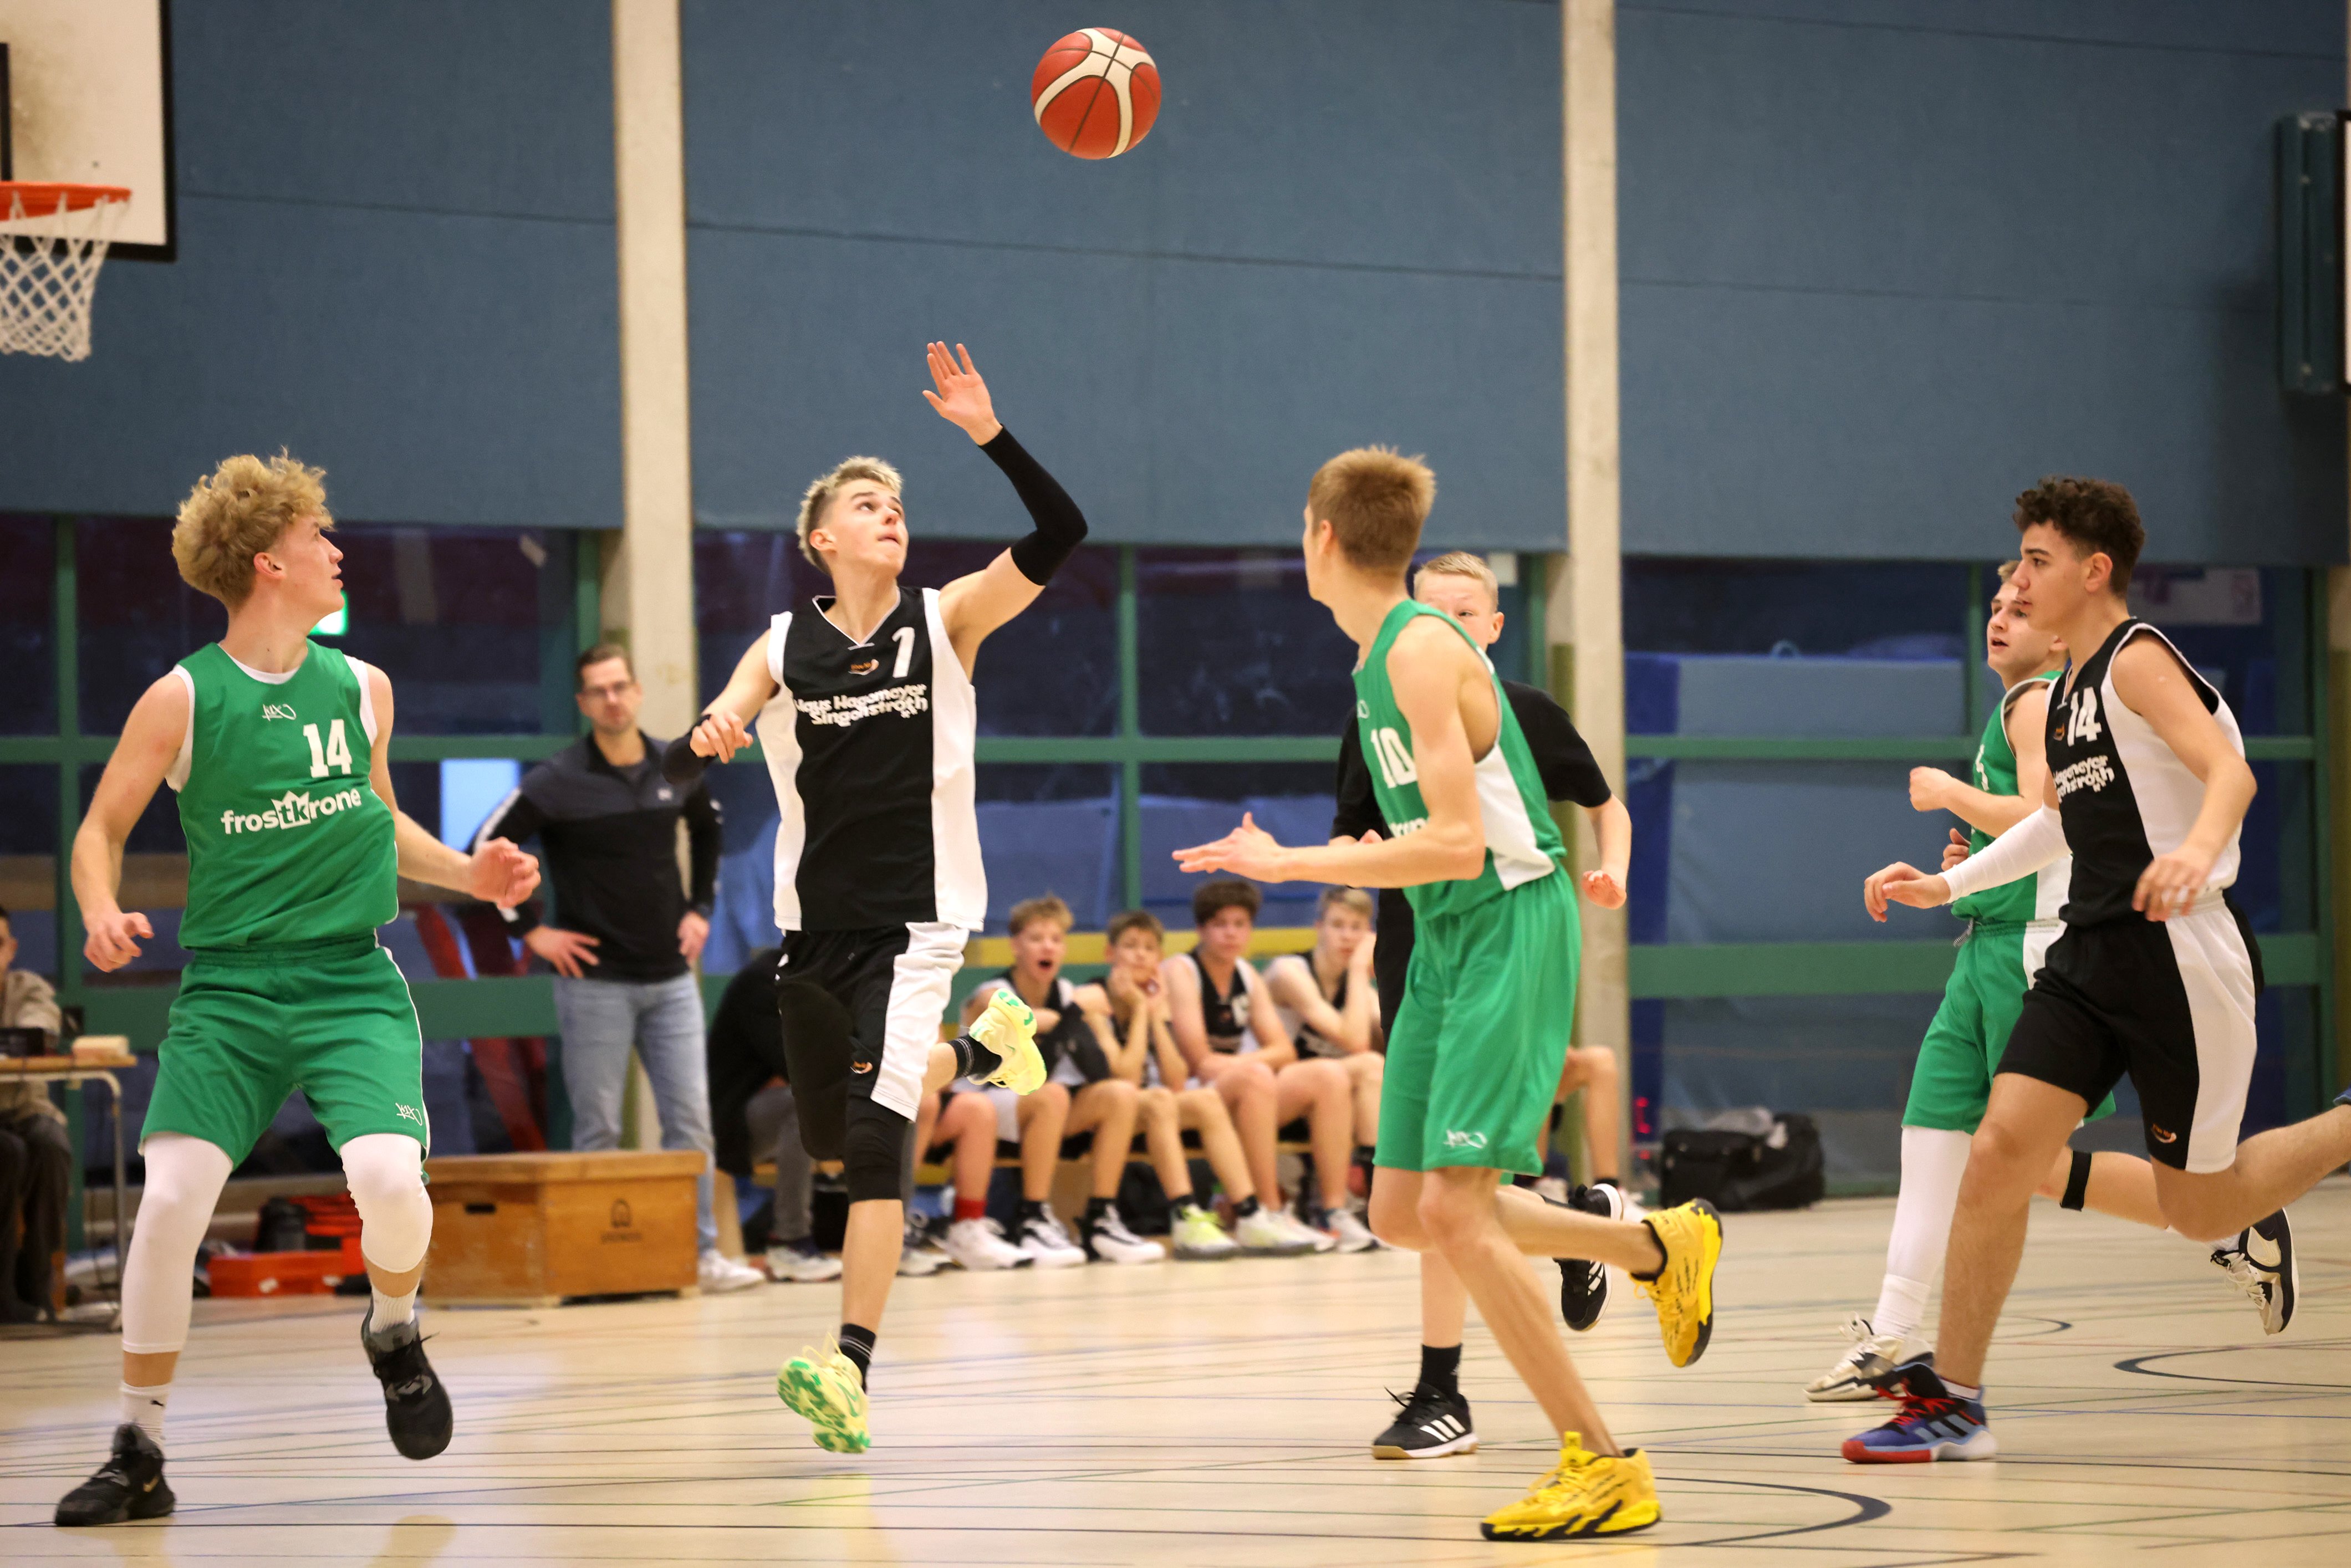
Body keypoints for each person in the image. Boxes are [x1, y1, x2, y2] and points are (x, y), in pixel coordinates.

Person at [1176, 447, 1721, 1541]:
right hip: (1441, 937)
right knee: (1401, 1211)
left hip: (1507, 923)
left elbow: (1458, 842)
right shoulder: (1374, 659)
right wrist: (1301, 859)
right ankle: (1651, 1245)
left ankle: (1602, 1460)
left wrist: (1288, 862)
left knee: (1457, 1212)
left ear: (1322, 538)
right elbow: (1424, 850)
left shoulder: (1422, 651)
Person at [54, 454, 542, 1526]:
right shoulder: (184, 697)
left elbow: (380, 818)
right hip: (230, 991)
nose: (337, 550)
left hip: (348, 977)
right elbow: (99, 829)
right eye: (319, 535)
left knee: (389, 1179)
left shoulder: (363, 686)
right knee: (171, 1202)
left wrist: (471, 874)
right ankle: (139, 1446)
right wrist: (97, 906)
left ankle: (393, 1325)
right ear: (269, 562)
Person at [1849, 477, 2342, 1464]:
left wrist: (2195, 850)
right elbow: (2055, 824)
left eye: (2037, 561)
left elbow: (2230, 772)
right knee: (1999, 1152)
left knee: (2199, 1207)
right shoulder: (2069, 689)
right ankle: (1957, 1402)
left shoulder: (2135, 658)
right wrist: (1947, 887)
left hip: (2180, 955)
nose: (2019, 580)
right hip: (2088, 953)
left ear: (2092, 569)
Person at [676, 341, 1074, 1454]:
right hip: (814, 931)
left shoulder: (945, 621)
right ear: (822, 538)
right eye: (866, 503)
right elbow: (729, 704)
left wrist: (989, 435)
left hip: (916, 921)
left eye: (897, 504)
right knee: (827, 1130)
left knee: (870, 1143)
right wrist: (717, 723)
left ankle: (849, 1365)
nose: (888, 513)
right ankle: (987, 1049)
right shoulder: (780, 643)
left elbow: (1061, 531)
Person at [1808, 567, 2282, 1403]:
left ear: (2064, 619)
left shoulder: (2047, 697)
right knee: (1947, 1138)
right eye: (1994, 604)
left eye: (2020, 602)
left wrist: (1954, 796)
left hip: (2039, 948)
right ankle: (1893, 1336)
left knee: (2028, 1165)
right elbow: (2050, 823)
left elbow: (2048, 813)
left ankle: (2230, 1220)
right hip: (1990, 944)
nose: (2002, 612)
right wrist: (1953, 879)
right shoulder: (2046, 703)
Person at [1332, 549, 1634, 1462]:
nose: (1445, 626)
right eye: (1431, 610)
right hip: (1415, 943)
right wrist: (1323, 860)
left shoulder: (1524, 711)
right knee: (1413, 1201)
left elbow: (1605, 805)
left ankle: (1445, 1387)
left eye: (1465, 612)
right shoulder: (1377, 699)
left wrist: (1613, 869)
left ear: (1494, 626)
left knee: (1451, 1186)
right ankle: (1593, 1230)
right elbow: (1356, 831)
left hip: (1497, 935)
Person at [476, 645, 759, 1294]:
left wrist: (701, 909)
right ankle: (597, 1265)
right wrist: (531, 931)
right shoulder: (556, 780)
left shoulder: (675, 764)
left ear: (636, 691)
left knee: (691, 1123)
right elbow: (486, 847)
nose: (612, 699)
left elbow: (709, 831)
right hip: (594, 986)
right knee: (598, 1128)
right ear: (583, 703)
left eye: (620, 686)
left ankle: (701, 1256)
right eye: (598, 691)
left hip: (671, 981)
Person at [1163, 880, 1373, 1252]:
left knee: (1330, 1073)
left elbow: (1284, 1052)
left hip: (1244, 1089)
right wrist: (1249, 1064)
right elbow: (1201, 1061)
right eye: (1220, 924)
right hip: (1185, 1095)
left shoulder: (1246, 974)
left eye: (1240, 924)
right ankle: (1267, 1211)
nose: (1231, 933)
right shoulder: (1182, 970)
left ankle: (1333, 1211)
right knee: (1257, 1074)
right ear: (1201, 929)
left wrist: (1238, 1064)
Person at [1082, 908, 1302, 1258]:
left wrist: (1155, 1016)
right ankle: (1185, 1215)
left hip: (1144, 1105)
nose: (1140, 955)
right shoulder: (1094, 999)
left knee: (1205, 1101)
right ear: (1111, 953)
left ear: (1159, 958)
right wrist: (1140, 1011)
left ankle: (1249, 1214)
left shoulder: (1155, 1001)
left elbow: (1177, 1081)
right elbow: (1125, 1076)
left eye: (1149, 948)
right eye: (1131, 946)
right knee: (1157, 1100)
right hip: (1098, 1108)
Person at [955, 896, 1159, 1264]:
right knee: (1051, 1094)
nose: (1048, 946)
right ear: (1016, 946)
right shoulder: (992, 992)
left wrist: (1107, 1018)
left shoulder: (1066, 993)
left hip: (1046, 1109)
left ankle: (1100, 1218)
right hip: (981, 1108)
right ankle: (1032, 1217)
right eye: (1036, 938)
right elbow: (1018, 1020)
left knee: (1119, 1094)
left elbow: (1106, 1069)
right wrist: (1075, 1012)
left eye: (1056, 939)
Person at [704, 948, 841, 1284]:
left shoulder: (833, 981)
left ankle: (898, 1235)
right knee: (803, 1104)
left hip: (775, 1103)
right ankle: (789, 1241)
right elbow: (796, 1068)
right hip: (731, 1120)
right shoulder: (763, 983)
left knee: (896, 1100)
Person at [1261, 887, 1385, 1189]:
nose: (1347, 937)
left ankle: (1376, 1193)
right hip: (1269, 1093)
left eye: (1357, 928)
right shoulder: (1289, 972)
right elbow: (1355, 1042)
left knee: (1378, 1069)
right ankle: (1366, 1193)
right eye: (1338, 925)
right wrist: (1360, 968)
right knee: (1362, 1066)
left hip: (1326, 1098)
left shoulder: (1359, 993)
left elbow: (1396, 1042)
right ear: (1319, 928)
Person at [0, 903, 70, 1321]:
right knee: (8, 1153)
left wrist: (22, 1040)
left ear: (11, 948)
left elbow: (39, 1031)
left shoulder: (28, 987)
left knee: (51, 1145)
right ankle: (3, 1292)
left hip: (25, 1106)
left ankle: (38, 1284)